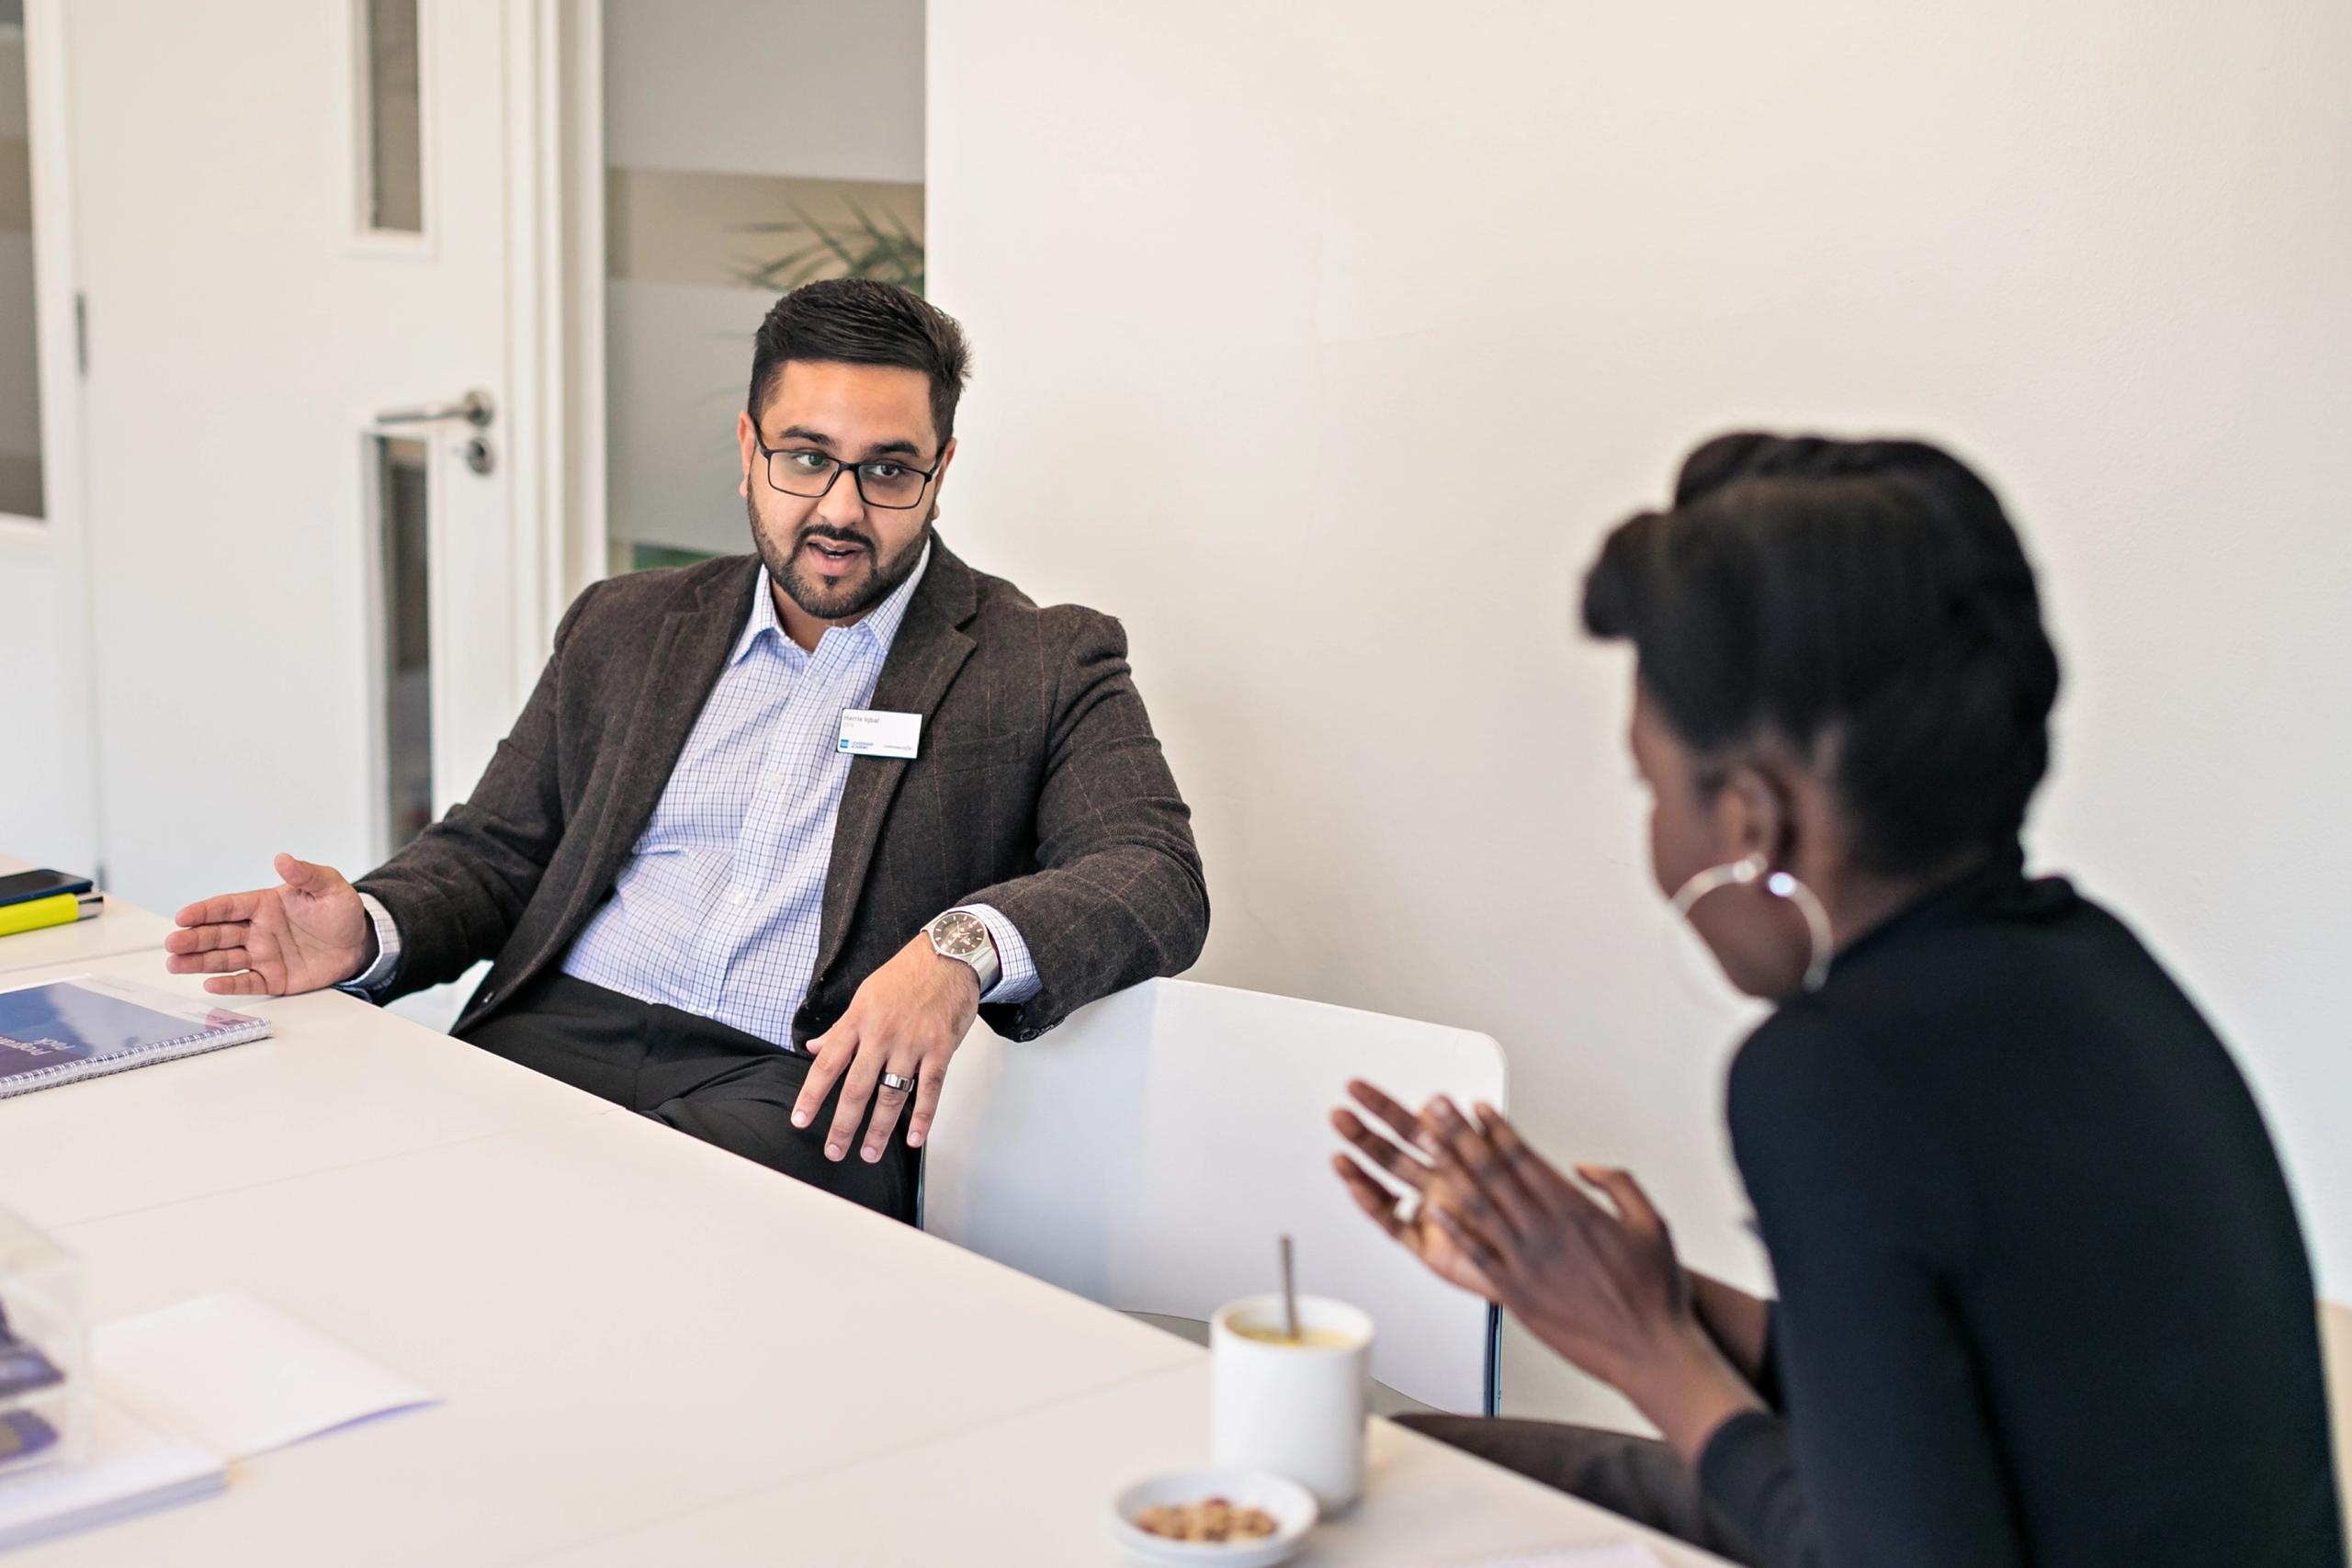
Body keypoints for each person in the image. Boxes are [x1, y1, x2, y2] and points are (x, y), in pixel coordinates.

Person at [1334, 434, 2341, 1566]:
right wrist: (1599, 1281)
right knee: (1421, 1464)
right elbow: (1948, 1407)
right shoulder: (2092, 964)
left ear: (1752, 820)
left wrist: (1646, 1352)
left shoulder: (1826, 1073)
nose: (1654, 848)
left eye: (1651, 787)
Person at [165, 278, 1208, 1223]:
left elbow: (1155, 878)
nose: (841, 510)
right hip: (551, 1036)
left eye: (888, 471)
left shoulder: (1040, 659)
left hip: (797, 1087)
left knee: (596, 1240)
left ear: (939, 473)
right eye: (806, 459)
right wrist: (371, 928)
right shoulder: (628, 623)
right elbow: (497, 850)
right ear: (749, 450)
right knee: (345, 1190)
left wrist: (958, 950)